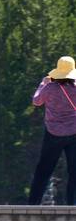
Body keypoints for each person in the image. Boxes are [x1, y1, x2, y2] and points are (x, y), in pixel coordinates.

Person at [28, 56, 76, 205]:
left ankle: (33, 204)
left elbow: (36, 101)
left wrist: (43, 83)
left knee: (43, 170)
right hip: (74, 133)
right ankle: (72, 205)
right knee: (74, 172)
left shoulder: (49, 88)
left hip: (53, 133)